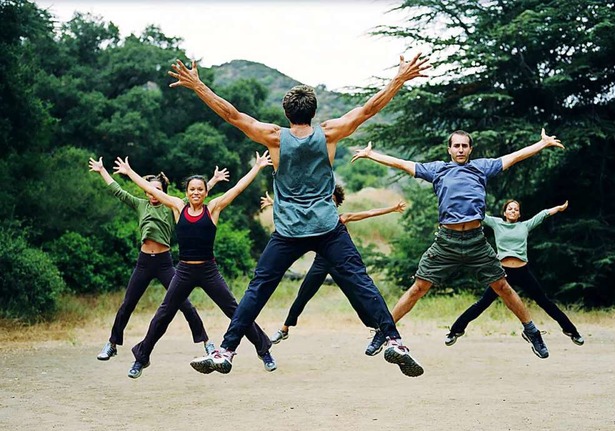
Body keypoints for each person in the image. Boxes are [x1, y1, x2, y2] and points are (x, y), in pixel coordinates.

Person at [170, 53, 431, 377]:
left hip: (289, 230)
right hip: (327, 226)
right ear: (314, 111)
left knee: (258, 289)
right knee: (361, 281)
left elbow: (233, 116)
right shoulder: (331, 133)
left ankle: (226, 351)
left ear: (286, 112)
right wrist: (398, 80)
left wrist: (199, 86)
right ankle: (394, 341)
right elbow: (368, 109)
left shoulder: (275, 137)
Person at [351, 128, 565, 359]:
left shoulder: (481, 167)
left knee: (502, 287)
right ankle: (384, 332)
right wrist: (372, 155)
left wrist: (541, 144)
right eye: (456, 146)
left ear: (470, 149)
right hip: (446, 242)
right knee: (419, 288)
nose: (460, 149)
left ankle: (531, 331)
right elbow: (404, 164)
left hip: (476, 241)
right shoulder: (437, 170)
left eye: (465, 146)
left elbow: (513, 157)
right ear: (449, 149)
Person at [112, 152, 276, 379]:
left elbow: (237, 188)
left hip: (209, 270)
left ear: (206, 191)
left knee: (236, 311)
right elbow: (152, 190)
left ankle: (263, 350)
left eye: (200, 189)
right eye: (192, 189)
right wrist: (130, 173)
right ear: (187, 192)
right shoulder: (178, 207)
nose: (196, 192)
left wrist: (257, 167)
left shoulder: (214, 208)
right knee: (164, 314)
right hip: (185, 271)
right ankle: (141, 358)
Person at [89, 157, 228, 362]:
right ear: (146, 192)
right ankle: (112, 344)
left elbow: (196, 195)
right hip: (144, 262)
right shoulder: (140, 205)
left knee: (185, 304)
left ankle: (206, 343)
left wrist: (213, 181)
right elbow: (117, 191)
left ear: (163, 191)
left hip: (164, 262)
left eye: (158, 190)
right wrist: (102, 171)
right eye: (150, 190)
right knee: (128, 303)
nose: (154, 193)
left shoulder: (171, 206)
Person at [259, 186, 406, 345]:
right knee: (303, 295)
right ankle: (284, 329)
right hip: (320, 263)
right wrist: (274, 203)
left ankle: (380, 330)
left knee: (357, 299)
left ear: (336, 205)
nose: (329, 203)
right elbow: (297, 211)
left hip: (339, 265)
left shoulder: (341, 218)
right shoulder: (316, 219)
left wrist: (392, 208)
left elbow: (369, 213)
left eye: (333, 201)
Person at [446, 199, 584, 346]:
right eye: (510, 209)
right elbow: (478, 214)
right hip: (502, 273)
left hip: (523, 272)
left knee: (544, 302)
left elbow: (543, 214)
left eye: (516, 209)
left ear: (519, 214)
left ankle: (572, 332)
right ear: (505, 212)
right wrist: (459, 202)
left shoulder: (525, 225)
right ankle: (455, 331)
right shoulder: (496, 223)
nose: (513, 211)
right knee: (483, 303)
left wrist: (559, 207)